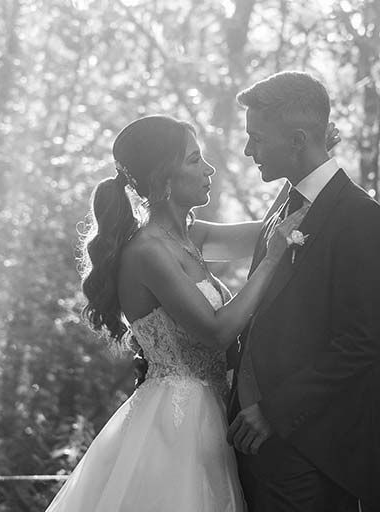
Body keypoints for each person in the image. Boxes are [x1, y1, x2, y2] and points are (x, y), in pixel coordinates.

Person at [44, 114, 306, 512]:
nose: (209, 169)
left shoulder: (191, 235)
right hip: (176, 424)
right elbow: (217, 331)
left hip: (214, 413)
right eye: (194, 160)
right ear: (164, 179)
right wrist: (271, 262)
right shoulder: (148, 252)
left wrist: (301, 164)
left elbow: (272, 228)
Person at [227, 71, 380, 512]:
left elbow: (363, 342)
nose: (249, 150)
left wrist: (274, 413)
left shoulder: (362, 218)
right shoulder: (283, 204)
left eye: (257, 138)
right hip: (253, 445)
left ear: (298, 139)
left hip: (314, 455)